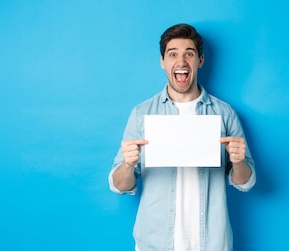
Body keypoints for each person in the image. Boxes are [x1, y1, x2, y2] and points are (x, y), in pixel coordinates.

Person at [108, 23, 256, 251]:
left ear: (200, 61)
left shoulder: (224, 114)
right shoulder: (141, 114)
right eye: (172, 54)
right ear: (162, 62)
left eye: (189, 53)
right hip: (154, 244)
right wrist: (128, 164)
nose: (181, 61)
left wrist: (238, 162)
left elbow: (245, 182)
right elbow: (119, 186)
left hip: (211, 243)